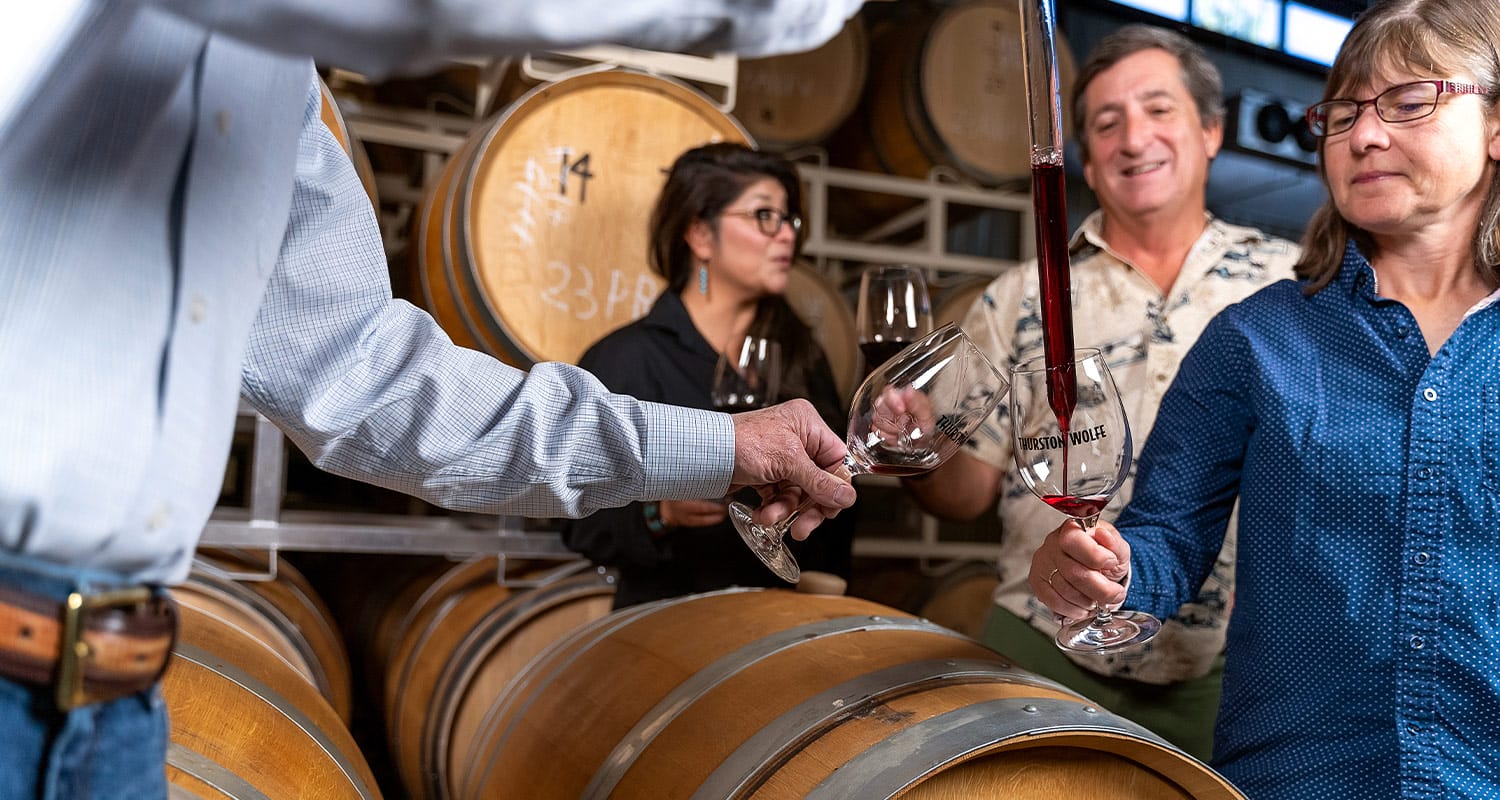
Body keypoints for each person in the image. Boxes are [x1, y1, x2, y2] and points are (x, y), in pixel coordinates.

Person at [0, 2, 867, 798]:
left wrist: (720, 448)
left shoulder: (277, 84)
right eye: (763, 215)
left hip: (112, 698)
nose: (787, 233)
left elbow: (371, 378)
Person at [1030, 0, 1500, 796]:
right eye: (1343, 112)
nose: (1365, 135)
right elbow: (1166, 542)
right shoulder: (1253, 339)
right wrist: (1102, 571)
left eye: (1410, 101)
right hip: (1297, 779)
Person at [901, 24, 1299, 760]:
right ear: (1083, 154)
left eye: (1158, 110)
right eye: (1106, 123)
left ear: (1211, 131)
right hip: (1040, 645)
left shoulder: (1294, 286)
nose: (1132, 137)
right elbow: (963, 495)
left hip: (1228, 666)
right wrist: (921, 443)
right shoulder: (1019, 296)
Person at [562, 143, 855, 607]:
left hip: (781, 629)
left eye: (788, 219)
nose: (786, 236)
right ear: (700, 234)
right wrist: (660, 515)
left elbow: (838, 508)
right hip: (669, 632)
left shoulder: (802, 357)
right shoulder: (629, 356)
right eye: (764, 216)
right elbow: (576, 518)